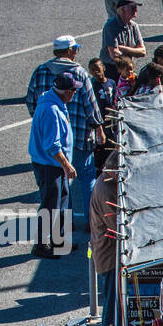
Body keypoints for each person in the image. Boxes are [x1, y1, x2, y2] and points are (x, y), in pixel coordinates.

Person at [26, 36, 104, 249]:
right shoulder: (76, 76)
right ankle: (88, 222)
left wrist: (40, 125)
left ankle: (60, 236)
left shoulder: (41, 73)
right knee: (79, 182)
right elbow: (90, 104)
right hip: (63, 149)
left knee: (61, 196)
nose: (74, 94)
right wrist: (98, 128)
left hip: (58, 146)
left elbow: (30, 100)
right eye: (75, 48)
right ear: (70, 51)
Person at [28, 72, 78, 258]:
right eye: (73, 90)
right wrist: (67, 165)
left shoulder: (55, 103)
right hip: (50, 165)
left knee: (61, 201)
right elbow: (52, 145)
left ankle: (58, 240)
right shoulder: (52, 111)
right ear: (66, 91)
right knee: (50, 206)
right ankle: (41, 245)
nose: (75, 93)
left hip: (53, 165)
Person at [91, 149, 119, 326]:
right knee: (111, 309)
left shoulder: (104, 183)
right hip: (109, 256)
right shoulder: (107, 189)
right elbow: (117, 226)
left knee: (112, 306)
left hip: (107, 254)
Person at [101, 0, 146, 82]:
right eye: (133, 7)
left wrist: (123, 49)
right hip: (112, 70)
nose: (136, 10)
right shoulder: (110, 26)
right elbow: (114, 55)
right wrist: (133, 52)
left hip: (127, 69)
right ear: (122, 10)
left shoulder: (134, 26)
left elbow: (143, 51)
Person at [88, 57, 117, 169]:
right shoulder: (92, 85)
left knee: (112, 141)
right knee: (101, 144)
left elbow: (115, 98)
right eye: (92, 70)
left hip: (111, 118)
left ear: (103, 68)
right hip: (100, 120)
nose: (95, 72)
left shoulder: (111, 82)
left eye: (97, 68)